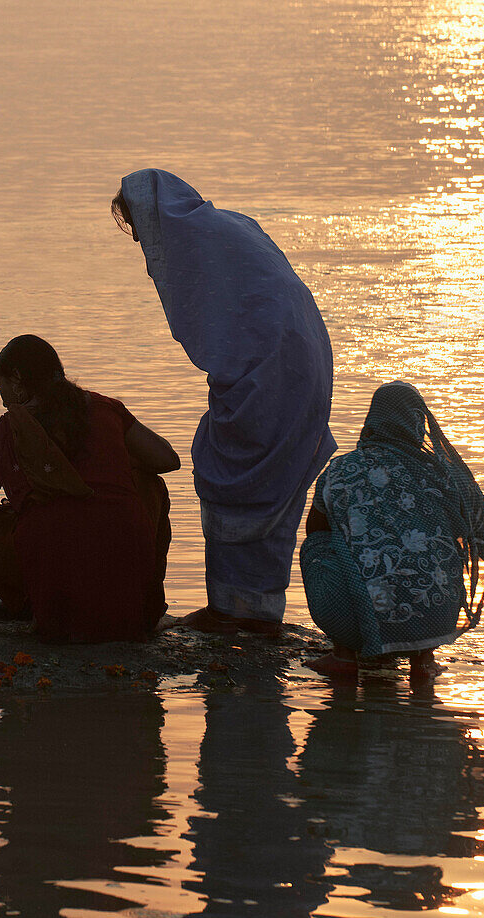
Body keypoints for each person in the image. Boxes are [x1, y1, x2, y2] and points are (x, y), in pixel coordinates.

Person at [112, 170, 335, 635]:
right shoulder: (229, 226)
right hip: (299, 365)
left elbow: (208, 321)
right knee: (266, 478)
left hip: (271, 373)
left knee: (235, 474)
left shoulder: (197, 243)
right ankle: (252, 608)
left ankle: (235, 612)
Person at [0, 335, 180, 643]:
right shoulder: (105, 409)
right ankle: (145, 607)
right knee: (150, 486)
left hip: (57, 605)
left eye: (0, 388)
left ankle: (30, 601)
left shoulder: (4, 433)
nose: (1, 400)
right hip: (123, 583)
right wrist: (110, 459)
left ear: (17, 381)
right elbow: (167, 459)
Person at [299, 381, 484, 679]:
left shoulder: (343, 470)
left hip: (362, 616)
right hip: (436, 615)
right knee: (435, 550)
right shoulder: (445, 473)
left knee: (318, 547)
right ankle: (423, 660)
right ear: (417, 422)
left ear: (373, 420)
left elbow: (314, 529)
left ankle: (344, 655)